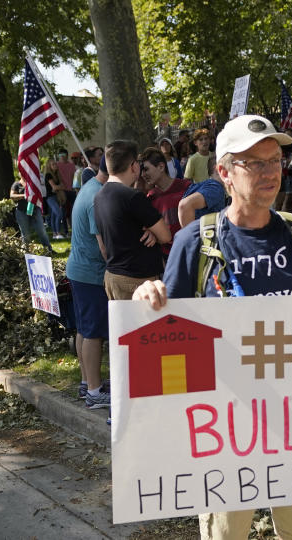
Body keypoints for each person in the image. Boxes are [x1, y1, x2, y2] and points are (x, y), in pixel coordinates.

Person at [133, 115, 292, 540]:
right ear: (224, 173)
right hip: (224, 429)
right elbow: (167, 338)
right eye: (254, 163)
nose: (271, 172)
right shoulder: (193, 244)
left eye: (276, 160)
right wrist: (146, 305)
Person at [93, 141, 172, 299]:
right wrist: (155, 234)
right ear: (133, 166)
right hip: (137, 281)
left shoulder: (99, 195)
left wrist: (151, 232)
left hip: (112, 276)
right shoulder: (132, 196)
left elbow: (124, 226)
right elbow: (166, 236)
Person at [66, 151, 110, 405]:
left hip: (79, 271)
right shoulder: (97, 196)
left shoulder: (90, 186)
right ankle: (94, 393)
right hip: (90, 274)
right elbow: (104, 247)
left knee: (84, 329)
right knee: (93, 332)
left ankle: (87, 382)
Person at [140, 146, 190, 256]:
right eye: (141, 171)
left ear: (161, 167)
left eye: (146, 169)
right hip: (166, 257)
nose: (143, 174)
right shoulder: (150, 197)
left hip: (189, 251)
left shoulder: (186, 187)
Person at [9, 177, 53, 254]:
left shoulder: (34, 183)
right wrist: (24, 195)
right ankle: (27, 253)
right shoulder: (16, 184)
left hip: (35, 209)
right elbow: (12, 196)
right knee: (25, 233)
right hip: (21, 211)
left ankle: (49, 250)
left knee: (41, 231)